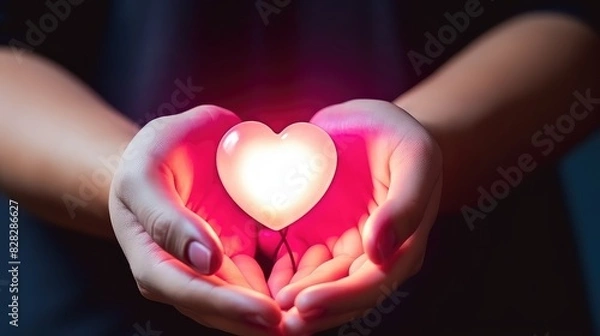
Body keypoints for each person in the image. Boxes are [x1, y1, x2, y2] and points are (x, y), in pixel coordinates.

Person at [0, 1, 598, 335]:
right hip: (92, 300)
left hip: (472, 300)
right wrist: (122, 179)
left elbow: (573, 24)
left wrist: (423, 148)